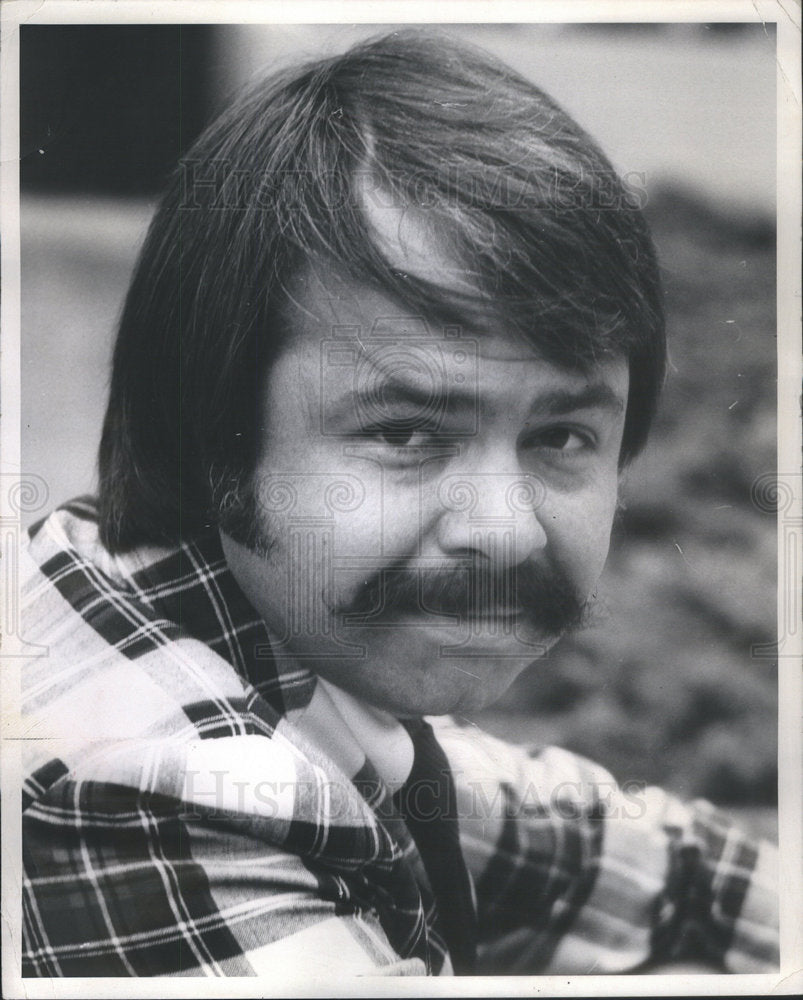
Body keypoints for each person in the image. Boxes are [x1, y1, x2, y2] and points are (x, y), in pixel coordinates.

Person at [20, 30, 778, 977]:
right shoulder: (140, 790)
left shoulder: (273, 650)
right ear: (209, 432)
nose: (503, 528)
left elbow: (614, 856)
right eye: (406, 432)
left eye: (561, 437)